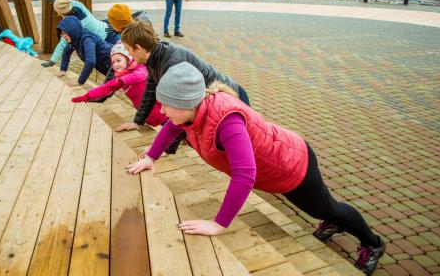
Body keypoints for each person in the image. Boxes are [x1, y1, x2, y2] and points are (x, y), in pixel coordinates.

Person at [126, 63, 386, 275]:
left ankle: (373, 244)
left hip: (292, 165)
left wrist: (219, 224)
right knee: (317, 207)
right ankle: (332, 221)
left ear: (186, 103)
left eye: (166, 104)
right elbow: (172, 127)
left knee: (326, 206)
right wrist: (151, 157)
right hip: (276, 168)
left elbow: (244, 175)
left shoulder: (227, 122)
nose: (161, 110)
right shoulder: (192, 113)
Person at [116, 21, 250, 154]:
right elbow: (150, 91)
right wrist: (137, 122)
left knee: (239, 152)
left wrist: (166, 149)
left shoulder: (171, 64)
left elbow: (181, 109)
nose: (128, 54)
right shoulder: (154, 57)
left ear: (138, 48)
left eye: (128, 49)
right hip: (215, 101)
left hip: (231, 98)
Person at [72, 42, 167, 127]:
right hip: (144, 110)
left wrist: (123, 81)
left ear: (128, 58)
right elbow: (106, 88)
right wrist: (87, 96)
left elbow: (142, 75)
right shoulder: (120, 77)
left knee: (170, 125)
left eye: (118, 60)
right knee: (166, 127)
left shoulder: (139, 67)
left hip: (157, 106)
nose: (115, 65)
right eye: (113, 62)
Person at [41, 0, 118, 68]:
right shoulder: (78, 5)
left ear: (60, 13)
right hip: (109, 29)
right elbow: (67, 2)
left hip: (105, 41)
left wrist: (53, 60)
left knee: (114, 65)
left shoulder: (73, 25)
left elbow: (63, 43)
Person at [55, 16, 112, 87]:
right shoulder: (74, 38)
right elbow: (66, 52)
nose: (64, 36)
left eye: (65, 33)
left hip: (112, 64)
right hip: (103, 66)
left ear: (73, 30)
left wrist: (80, 81)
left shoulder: (87, 39)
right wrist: (63, 70)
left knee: (111, 88)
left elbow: (90, 61)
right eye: (62, 34)